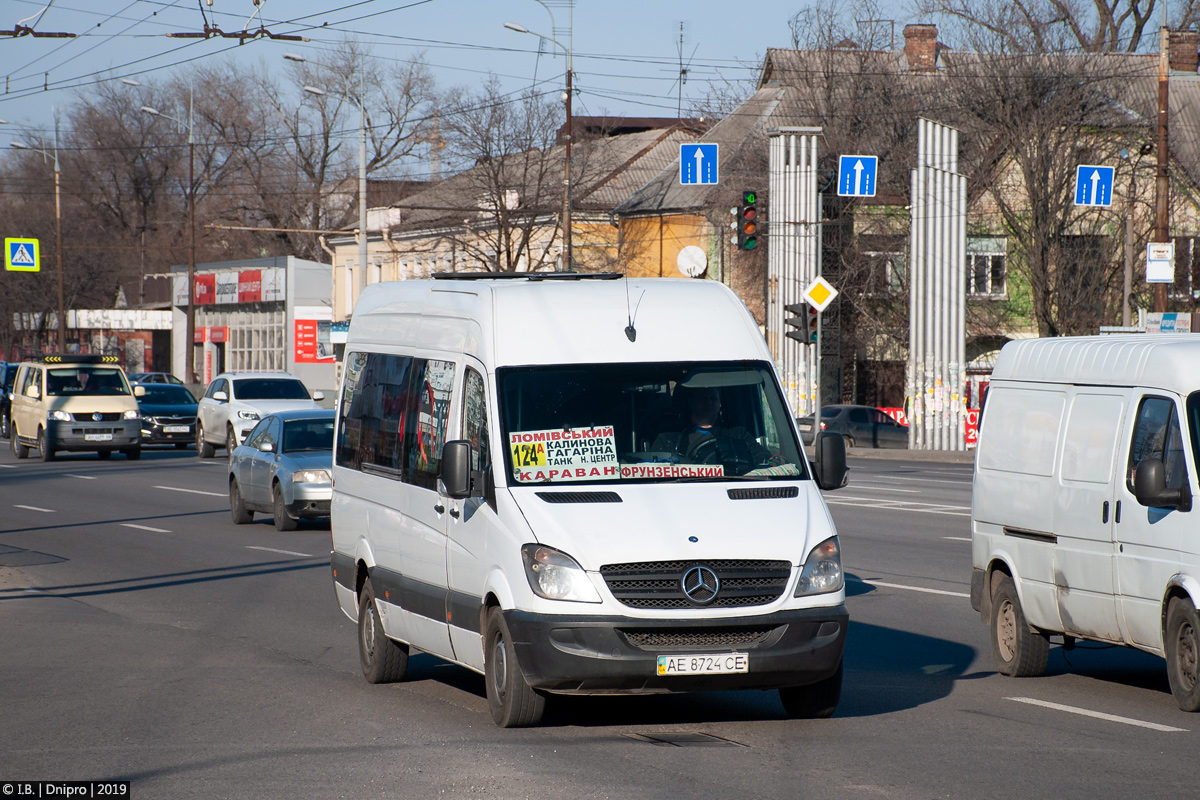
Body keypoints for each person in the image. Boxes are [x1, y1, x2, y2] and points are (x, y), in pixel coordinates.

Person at [652, 386, 777, 468]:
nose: (709, 402)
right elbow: (652, 467)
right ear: (691, 402)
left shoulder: (736, 434)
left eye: (713, 398)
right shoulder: (670, 437)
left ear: (720, 402)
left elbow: (764, 459)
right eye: (703, 398)